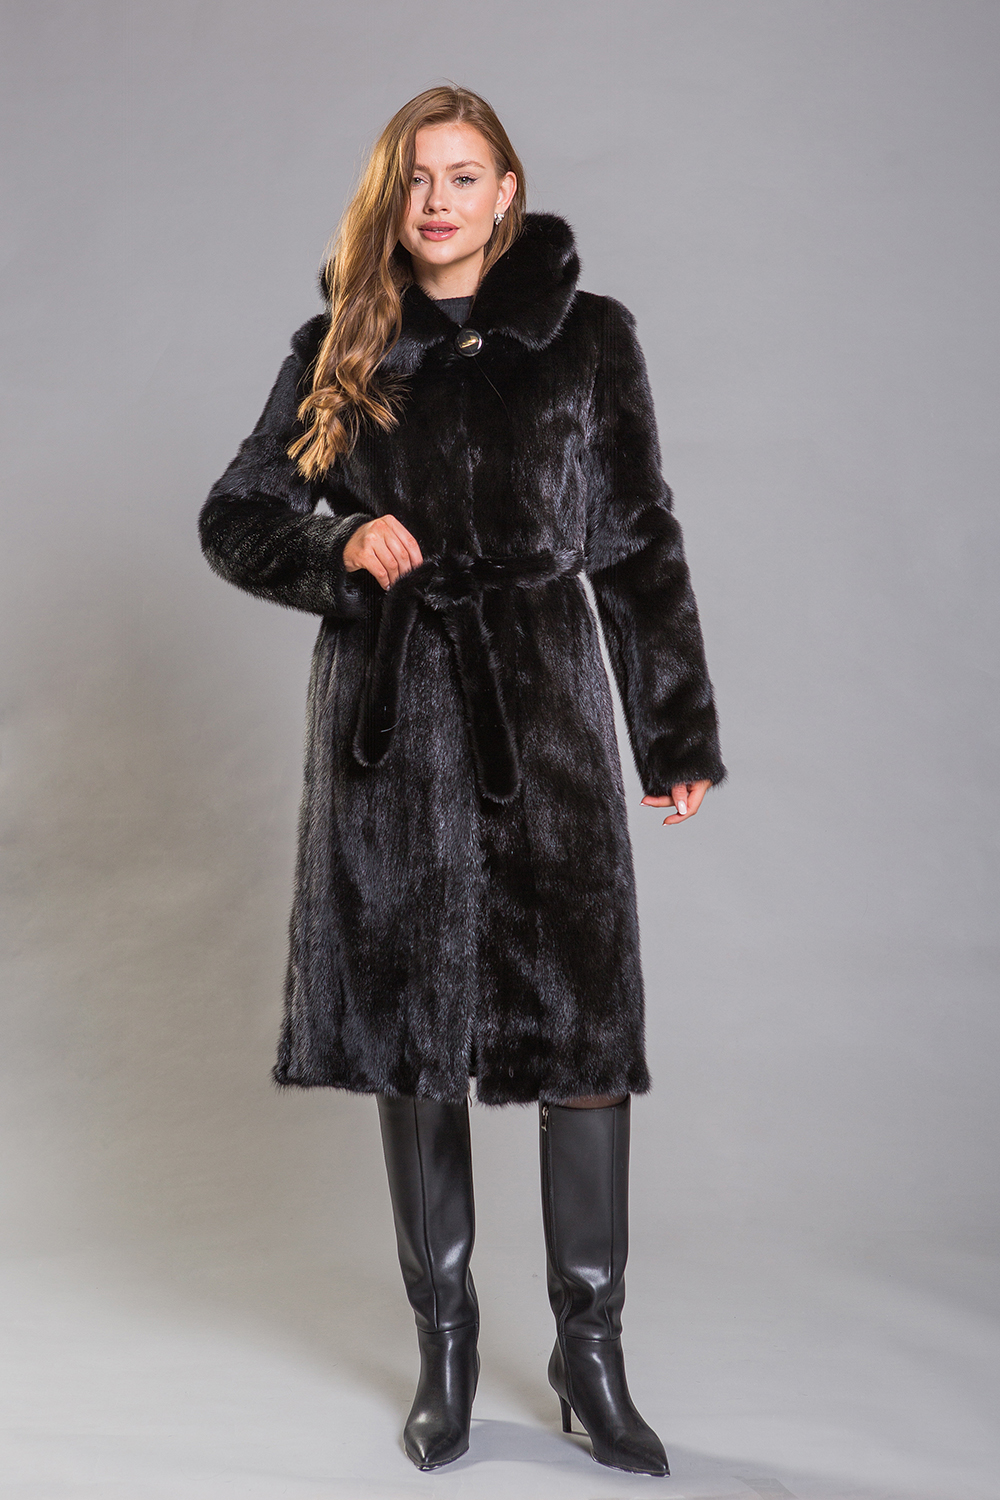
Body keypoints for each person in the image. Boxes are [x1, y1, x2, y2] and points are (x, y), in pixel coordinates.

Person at [199, 84, 726, 1478]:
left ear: (507, 193)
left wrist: (673, 732)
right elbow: (237, 515)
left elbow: (637, 540)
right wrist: (340, 546)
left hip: (544, 717)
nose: (438, 200)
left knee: (584, 1033)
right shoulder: (343, 348)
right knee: (415, 1027)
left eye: (464, 174)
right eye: (417, 178)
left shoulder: (589, 339)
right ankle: (445, 1347)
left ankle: (590, 1355)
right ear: (394, 198)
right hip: (395, 734)